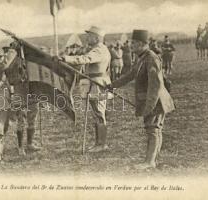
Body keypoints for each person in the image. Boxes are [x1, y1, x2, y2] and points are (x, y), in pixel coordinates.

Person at [108, 29, 175, 169]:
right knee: (155, 129)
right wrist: (112, 85)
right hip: (152, 101)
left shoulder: (151, 58)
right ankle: (153, 159)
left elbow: (155, 86)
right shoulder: (142, 58)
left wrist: (149, 107)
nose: (132, 46)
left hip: (156, 101)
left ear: (143, 44)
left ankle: (150, 162)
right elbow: (130, 75)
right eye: (132, 43)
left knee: (153, 130)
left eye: (135, 43)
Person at [61, 26, 111, 153]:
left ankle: (102, 144)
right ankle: (98, 143)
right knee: (97, 114)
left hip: (98, 84)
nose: (87, 38)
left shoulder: (99, 50)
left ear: (96, 38)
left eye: (89, 36)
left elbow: (85, 59)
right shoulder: (97, 49)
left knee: (99, 114)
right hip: (95, 84)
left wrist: (66, 58)